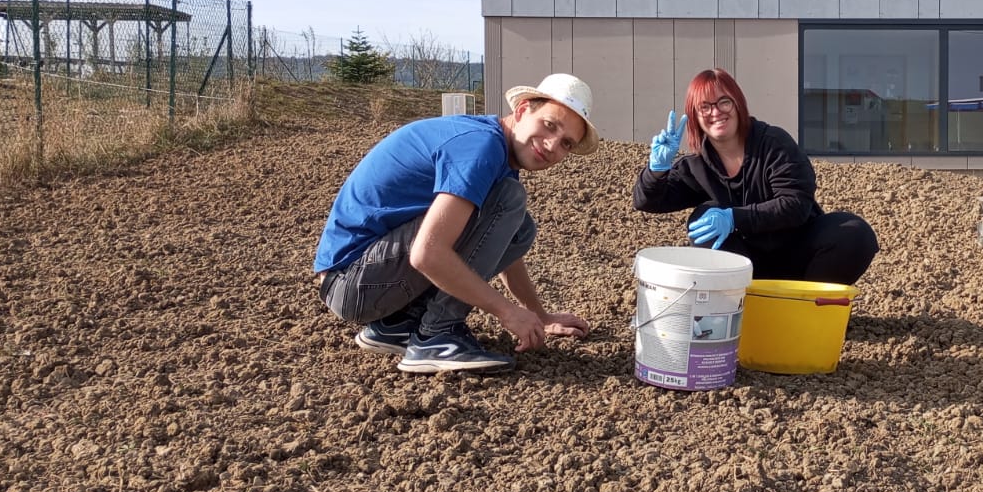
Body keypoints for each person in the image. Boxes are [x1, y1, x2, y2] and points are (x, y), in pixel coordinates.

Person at [314, 73, 599, 374]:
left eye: (566, 143)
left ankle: (396, 325)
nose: (552, 145)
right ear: (522, 110)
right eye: (549, 124)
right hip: (353, 283)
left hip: (365, 281)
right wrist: (506, 312)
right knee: (509, 199)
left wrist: (539, 315)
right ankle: (436, 336)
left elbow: (499, 244)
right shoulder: (481, 147)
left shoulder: (497, 151)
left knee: (520, 227)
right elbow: (427, 253)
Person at [633, 68, 878, 286]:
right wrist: (657, 169)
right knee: (703, 218)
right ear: (696, 118)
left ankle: (808, 309)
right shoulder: (697, 166)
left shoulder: (773, 144)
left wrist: (734, 218)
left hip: (799, 255)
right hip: (746, 270)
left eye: (723, 102)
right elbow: (649, 202)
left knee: (854, 233)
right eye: (704, 107)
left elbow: (796, 204)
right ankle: (741, 308)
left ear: (738, 104)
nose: (715, 112)